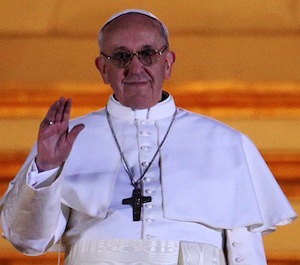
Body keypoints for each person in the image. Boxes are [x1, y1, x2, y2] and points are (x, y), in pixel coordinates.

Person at [0, 9, 297, 265]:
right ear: (103, 69)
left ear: (167, 62)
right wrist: (47, 167)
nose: (135, 67)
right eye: (121, 57)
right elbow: (30, 241)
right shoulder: (66, 142)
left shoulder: (226, 142)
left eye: (147, 54)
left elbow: (244, 250)